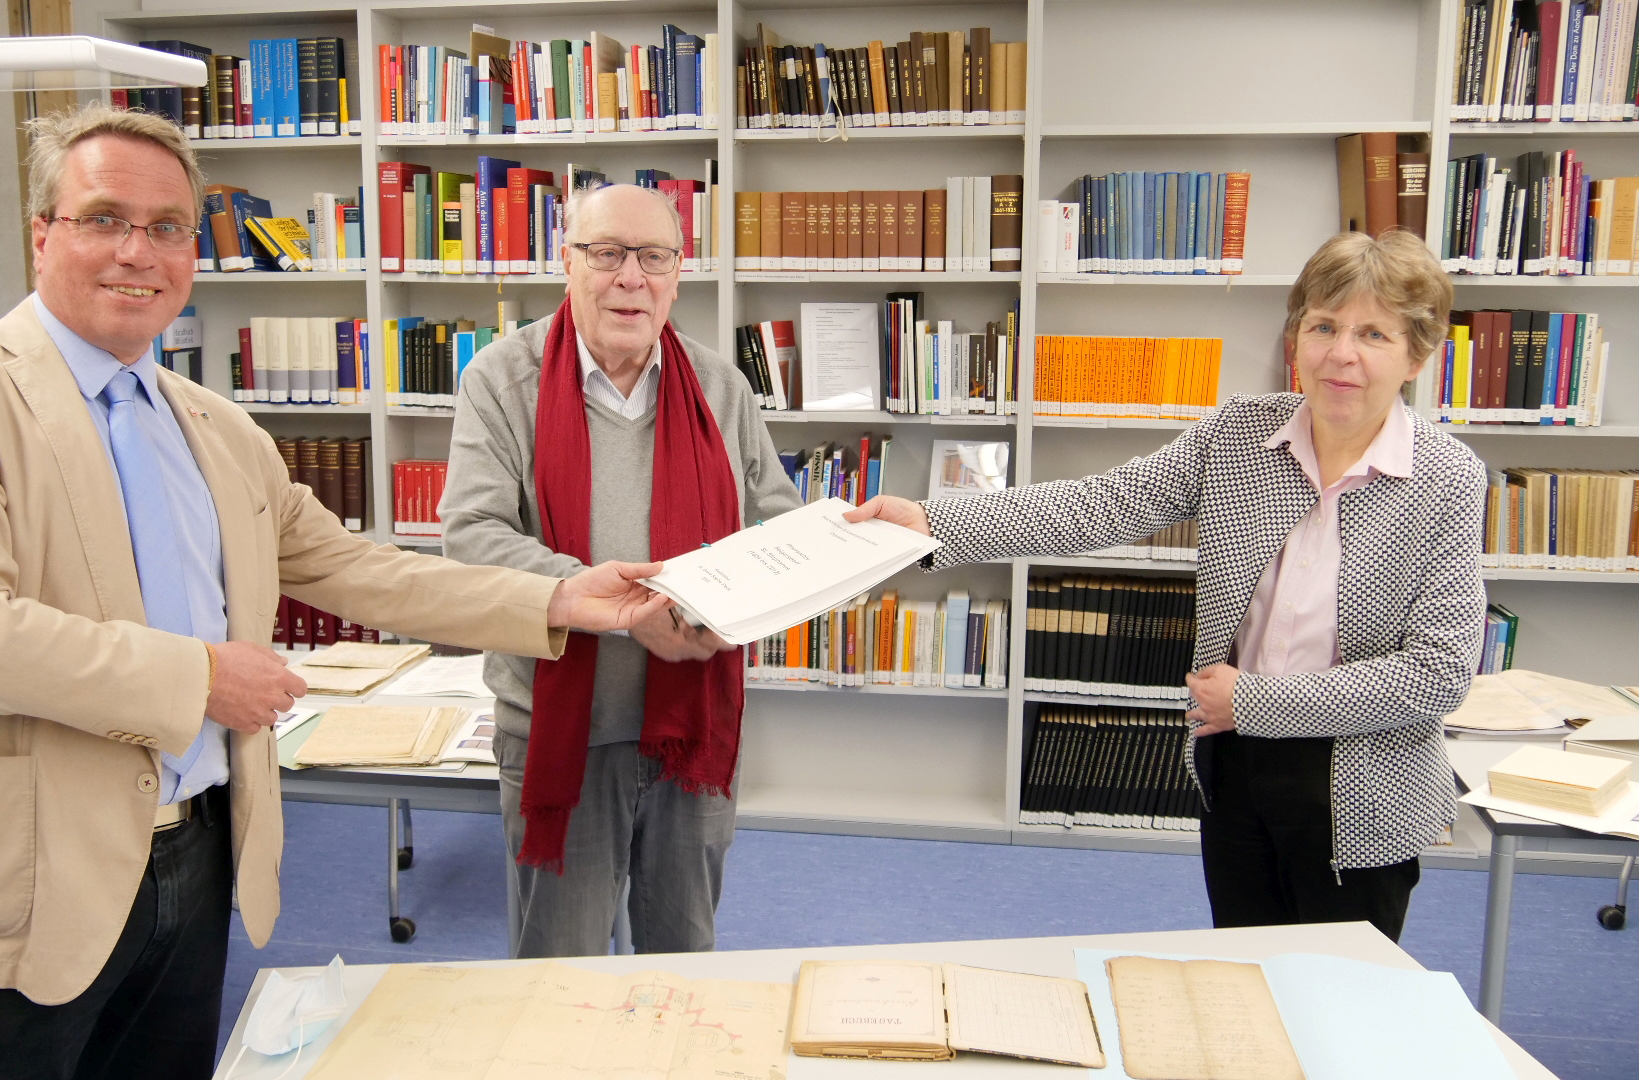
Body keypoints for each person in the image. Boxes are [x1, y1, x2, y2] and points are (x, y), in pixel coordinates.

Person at [0, 104, 669, 1080]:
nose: (136, 252)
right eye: (104, 218)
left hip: (195, 860)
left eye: (166, 229)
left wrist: (563, 598)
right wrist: (199, 680)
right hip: (21, 875)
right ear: (42, 234)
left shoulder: (215, 426)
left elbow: (361, 569)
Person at [848, 229, 1484, 942]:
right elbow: (1100, 504)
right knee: (1246, 980)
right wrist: (931, 521)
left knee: (1342, 1004)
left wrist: (1255, 700)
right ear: (1295, 338)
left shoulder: (1448, 479)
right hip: (1235, 762)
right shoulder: (1240, 434)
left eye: (1373, 334)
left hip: (1361, 783)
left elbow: (1438, 673)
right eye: (1323, 326)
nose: (1342, 353)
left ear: (1417, 354)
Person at [442, 182, 801, 957]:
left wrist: (711, 609)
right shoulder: (502, 380)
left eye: (653, 257)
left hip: (691, 730)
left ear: (679, 271)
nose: (629, 277)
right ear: (565, 262)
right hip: (564, 731)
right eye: (606, 254)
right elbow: (472, 535)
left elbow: (775, 523)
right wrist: (622, 605)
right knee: (559, 980)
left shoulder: (719, 386)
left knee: (683, 968)